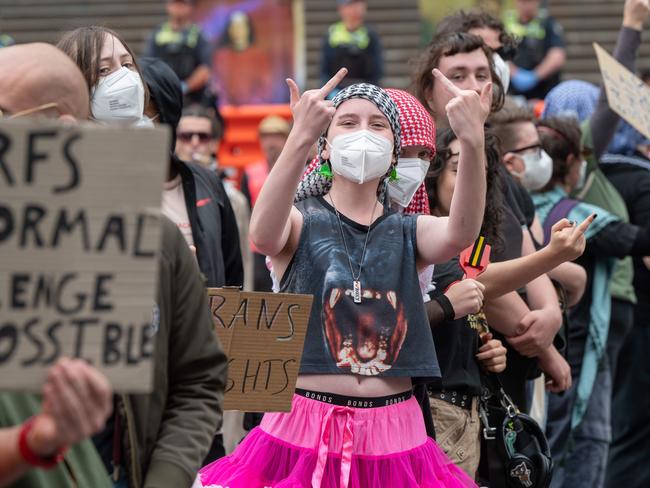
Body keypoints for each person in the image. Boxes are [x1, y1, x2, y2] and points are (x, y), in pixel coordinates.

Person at [196, 58, 493, 485]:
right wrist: (299, 135)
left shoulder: (409, 230)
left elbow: (463, 230)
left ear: (394, 150)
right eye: (347, 122)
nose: (362, 133)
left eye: (377, 125)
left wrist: (472, 140)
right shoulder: (301, 220)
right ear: (326, 145)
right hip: (301, 427)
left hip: (397, 434)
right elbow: (263, 235)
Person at [57, 27, 229, 487]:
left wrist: (167, 475)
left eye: (127, 65)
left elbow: (198, 376)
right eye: (103, 71)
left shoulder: (161, 236)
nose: (123, 80)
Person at [533, 115, 650, 488]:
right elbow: (631, 239)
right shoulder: (572, 213)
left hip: (564, 343)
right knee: (583, 440)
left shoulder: (527, 205)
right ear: (571, 162)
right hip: (579, 347)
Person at [175, 104, 253, 291]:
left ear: (214, 143)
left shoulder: (234, 199)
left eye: (202, 137)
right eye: (186, 136)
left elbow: (242, 260)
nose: (194, 143)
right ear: (175, 141)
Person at [145, 0, 212, 106]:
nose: (178, 8)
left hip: (192, 100)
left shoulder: (198, 35)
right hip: (163, 97)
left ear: (190, 7)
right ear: (168, 6)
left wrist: (186, 86)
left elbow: (205, 68)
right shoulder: (156, 34)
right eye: (175, 3)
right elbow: (147, 66)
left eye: (183, 4)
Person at [503, 0, 566, 100]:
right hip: (513, 94)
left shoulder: (548, 22)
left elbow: (557, 55)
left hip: (544, 93)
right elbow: (497, 53)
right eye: (522, 1)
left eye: (530, 1)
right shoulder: (507, 23)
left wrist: (535, 76)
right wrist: (514, 73)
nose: (526, 5)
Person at [320, 0, 383, 95]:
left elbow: (377, 69)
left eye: (359, 3)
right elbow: (324, 70)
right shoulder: (332, 34)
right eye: (351, 5)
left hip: (365, 90)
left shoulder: (370, 34)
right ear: (341, 9)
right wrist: (330, 92)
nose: (356, 8)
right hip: (337, 90)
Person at [211, 10, 273, 106]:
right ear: (229, 30)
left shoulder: (259, 56)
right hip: (227, 112)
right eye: (234, 27)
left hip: (253, 110)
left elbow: (264, 87)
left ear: (248, 29)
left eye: (241, 27)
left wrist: (251, 106)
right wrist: (226, 105)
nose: (238, 31)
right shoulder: (221, 56)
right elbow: (218, 86)